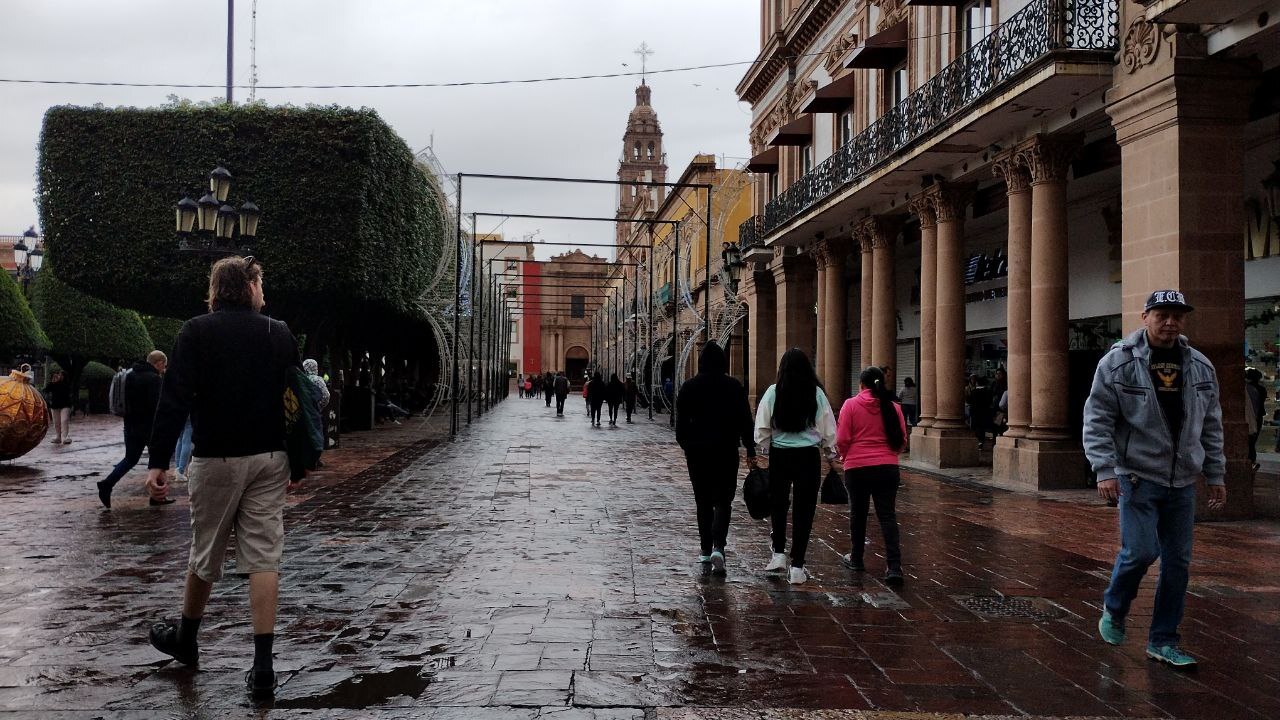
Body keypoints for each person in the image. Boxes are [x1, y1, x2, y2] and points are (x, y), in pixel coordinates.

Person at [143, 256, 303, 696]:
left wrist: (158, 460)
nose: (264, 293)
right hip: (270, 457)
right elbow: (296, 402)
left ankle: (187, 640)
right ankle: (263, 667)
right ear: (249, 289)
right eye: (261, 285)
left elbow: (174, 398)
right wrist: (302, 461)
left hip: (216, 458)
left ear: (216, 290)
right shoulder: (279, 332)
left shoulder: (196, 331)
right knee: (264, 555)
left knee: (205, 550)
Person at [1084, 289, 1226, 669]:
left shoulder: (1200, 366)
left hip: (1182, 482)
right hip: (1137, 476)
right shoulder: (1118, 363)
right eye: (1162, 314)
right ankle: (1115, 608)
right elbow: (1097, 419)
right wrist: (1105, 470)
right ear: (1145, 316)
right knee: (1142, 551)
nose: (1170, 322)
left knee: (1178, 563)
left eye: (1177, 316)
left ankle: (1163, 640)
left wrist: (1216, 473)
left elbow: (1211, 424)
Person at [754, 348, 838, 585]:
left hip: (780, 455)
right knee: (805, 510)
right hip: (808, 457)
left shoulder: (773, 392)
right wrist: (830, 452)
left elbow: (761, 428)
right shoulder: (816, 393)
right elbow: (828, 428)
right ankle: (798, 566)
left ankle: (778, 553)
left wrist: (766, 447)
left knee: (778, 504)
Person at [676, 342, 755, 574]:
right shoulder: (734, 386)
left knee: (703, 502)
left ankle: (704, 550)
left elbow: (680, 426)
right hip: (726, 452)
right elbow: (745, 420)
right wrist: (750, 449)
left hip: (698, 454)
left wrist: (688, 446)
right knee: (723, 500)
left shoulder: (689, 387)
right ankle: (719, 546)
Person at [836, 366, 908, 585]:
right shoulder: (893, 407)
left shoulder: (850, 405)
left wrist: (845, 457)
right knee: (887, 516)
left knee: (858, 514)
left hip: (857, 468)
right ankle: (894, 567)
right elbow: (902, 439)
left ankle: (856, 558)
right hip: (887, 468)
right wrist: (888, 456)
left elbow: (842, 439)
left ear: (861, 385)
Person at [95, 351, 169, 509]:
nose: (164, 368)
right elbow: (157, 406)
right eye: (164, 364)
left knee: (130, 459)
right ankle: (158, 496)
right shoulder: (154, 379)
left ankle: (107, 484)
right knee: (158, 458)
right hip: (149, 426)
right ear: (159, 363)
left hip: (130, 424)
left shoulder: (129, 375)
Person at [43, 369, 74, 445]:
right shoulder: (53, 384)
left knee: (64, 420)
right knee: (56, 422)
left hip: (65, 405)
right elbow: (45, 390)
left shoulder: (67, 384)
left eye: (60, 375)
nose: (58, 376)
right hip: (55, 405)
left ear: (64, 376)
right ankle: (58, 437)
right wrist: (52, 382)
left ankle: (65, 437)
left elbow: (68, 391)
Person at [965, 374, 993, 449]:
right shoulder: (988, 391)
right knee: (982, 428)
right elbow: (990, 401)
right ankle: (981, 441)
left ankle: (977, 441)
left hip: (975, 413)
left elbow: (968, 400)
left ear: (977, 383)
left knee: (976, 427)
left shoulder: (974, 392)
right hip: (984, 412)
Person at [1246, 367, 1265, 471]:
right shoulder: (1261, 389)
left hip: (1251, 417)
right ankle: (1252, 461)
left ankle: (1251, 462)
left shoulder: (1249, 389)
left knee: (1250, 441)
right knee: (1252, 441)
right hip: (1257, 417)